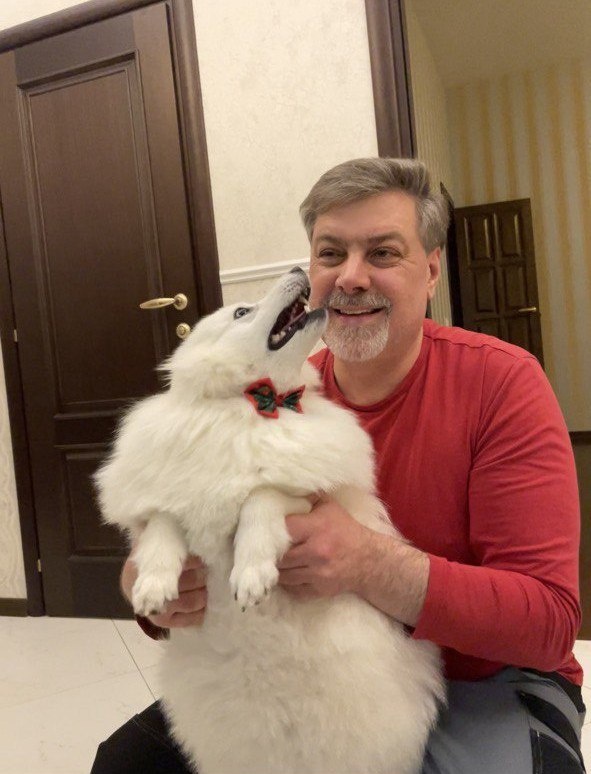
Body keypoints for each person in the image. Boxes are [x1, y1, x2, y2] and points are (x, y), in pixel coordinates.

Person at [92, 158, 585, 773]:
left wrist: (368, 562)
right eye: (330, 253)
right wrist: (153, 587)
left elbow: (547, 624)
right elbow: (182, 538)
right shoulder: (270, 395)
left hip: (485, 678)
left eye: (382, 253)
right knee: (124, 765)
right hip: (305, 673)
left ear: (432, 271)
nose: (350, 277)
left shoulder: (501, 384)